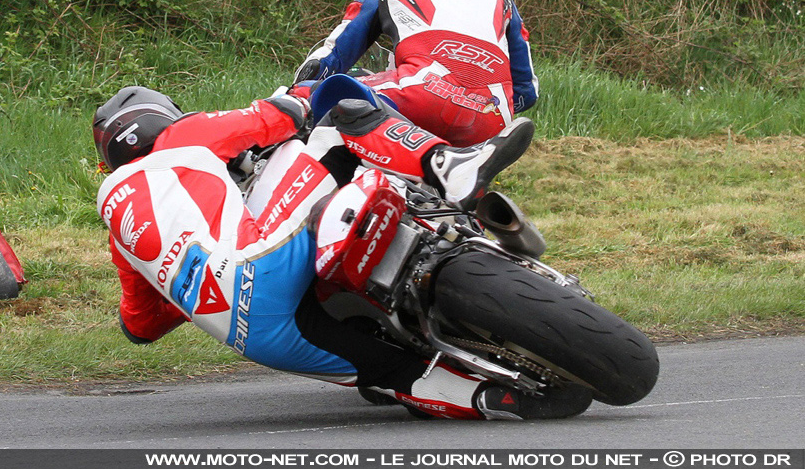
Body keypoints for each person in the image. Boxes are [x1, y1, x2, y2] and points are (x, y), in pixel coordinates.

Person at [92, 81, 589, 420]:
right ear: (163, 120)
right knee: (336, 117)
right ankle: (445, 166)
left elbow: (140, 327)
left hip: (258, 332)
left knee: (392, 376)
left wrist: (189, 280)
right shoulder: (183, 136)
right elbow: (283, 115)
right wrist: (301, 92)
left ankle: (490, 399)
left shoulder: (121, 229)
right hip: (271, 257)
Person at [290, 0, 539, 148]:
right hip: (492, 116)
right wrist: (473, 100)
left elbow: (331, 57)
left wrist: (302, 86)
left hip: (418, 93)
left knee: (303, 95)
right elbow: (527, 92)